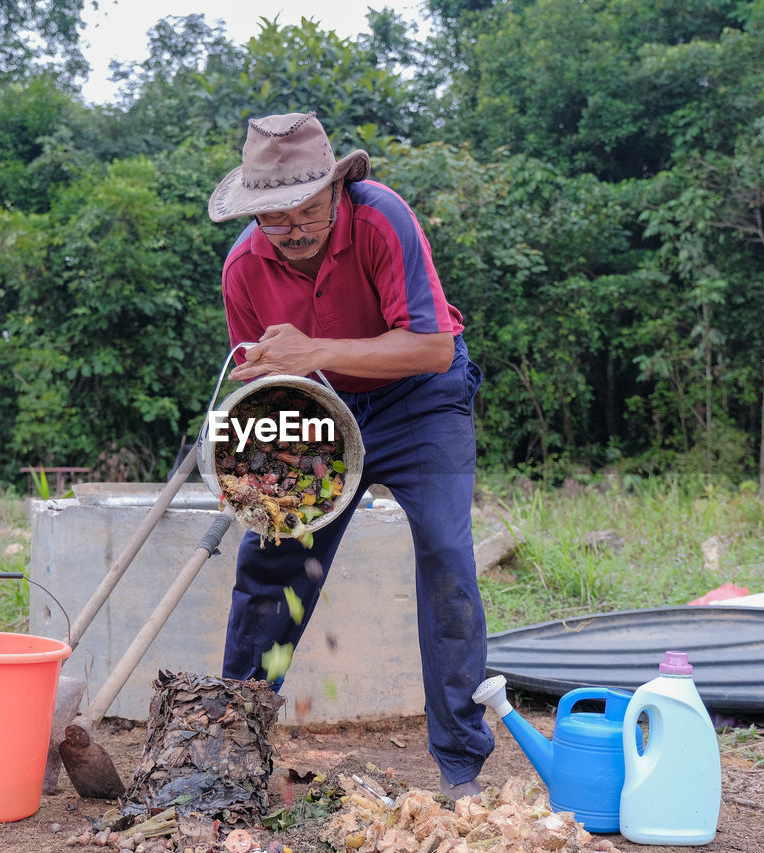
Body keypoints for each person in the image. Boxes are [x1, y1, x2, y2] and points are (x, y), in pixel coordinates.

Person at [206, 111, 493, 798]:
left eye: (309, 210)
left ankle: (459, 763)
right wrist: (260, 473)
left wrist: (317, 350)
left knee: (447, 556)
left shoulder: (381, 219)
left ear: (338, 190)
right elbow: (272, 389)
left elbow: (431, 345)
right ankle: (230, 752)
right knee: (271, 555)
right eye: (276, 219)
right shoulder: (243, 268)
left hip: (422, 397)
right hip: (321, 408)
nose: (295, 229)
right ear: (254, 215)